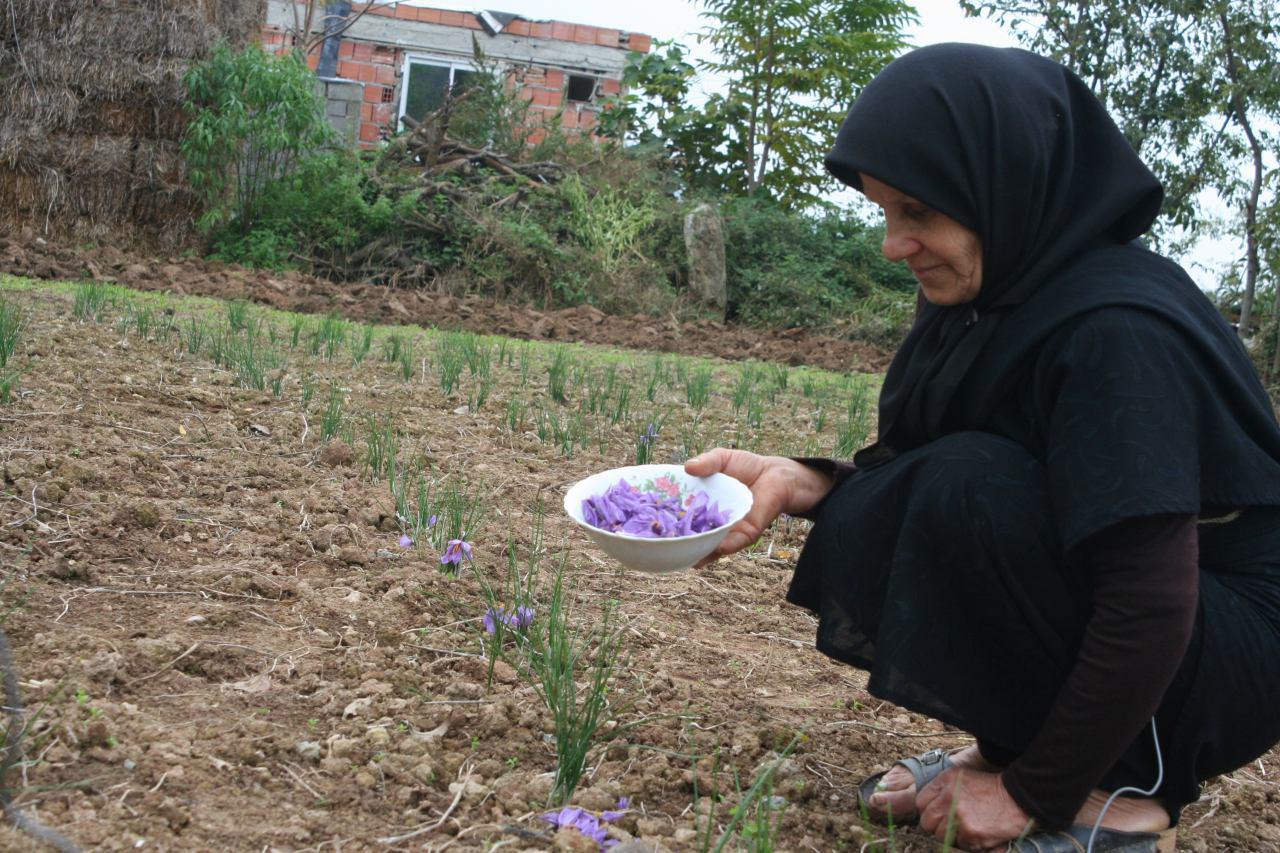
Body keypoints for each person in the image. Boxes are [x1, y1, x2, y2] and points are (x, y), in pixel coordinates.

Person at [684, 43, 1280, 853]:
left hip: (1227, 640)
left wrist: (1033, 793)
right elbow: (952, 479)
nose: (895, 245)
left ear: (1006, 186)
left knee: (968, 488)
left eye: (919, 212)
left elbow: (1151, 600)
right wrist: (806, 482)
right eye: (884, 212)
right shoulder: (998, 292)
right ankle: (1021, 744)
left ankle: (1123, 793)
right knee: (953, 484)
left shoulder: (1117, 330)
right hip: (1163, 617)